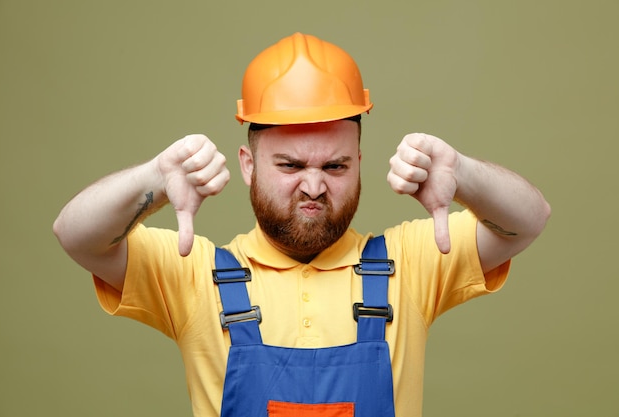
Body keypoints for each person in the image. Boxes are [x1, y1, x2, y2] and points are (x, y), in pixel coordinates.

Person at [53, 33, 551, 417]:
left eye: (335, 167)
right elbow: (76, 236)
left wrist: (461, 174)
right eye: (290, 166)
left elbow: (527, 221)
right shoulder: (191, 272)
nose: (313, 187)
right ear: (248, 165)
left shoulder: (414, 263)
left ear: (359, 160)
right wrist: (153, 180)